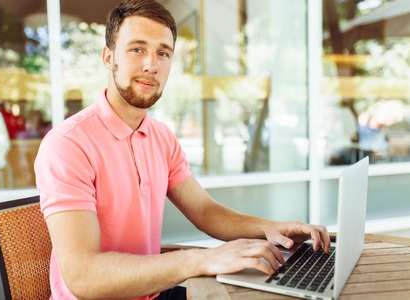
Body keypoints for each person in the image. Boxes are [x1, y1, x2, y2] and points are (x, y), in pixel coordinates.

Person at [34, 0, 331, 299]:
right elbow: (83, 277)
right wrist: (200, 260)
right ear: (108, 57)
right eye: (137, 49)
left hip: (151, 293)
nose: (151, 64)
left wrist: (270, 228)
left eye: (163, 53)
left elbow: (205, 211)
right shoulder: (68, 145)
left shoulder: (161, 137)